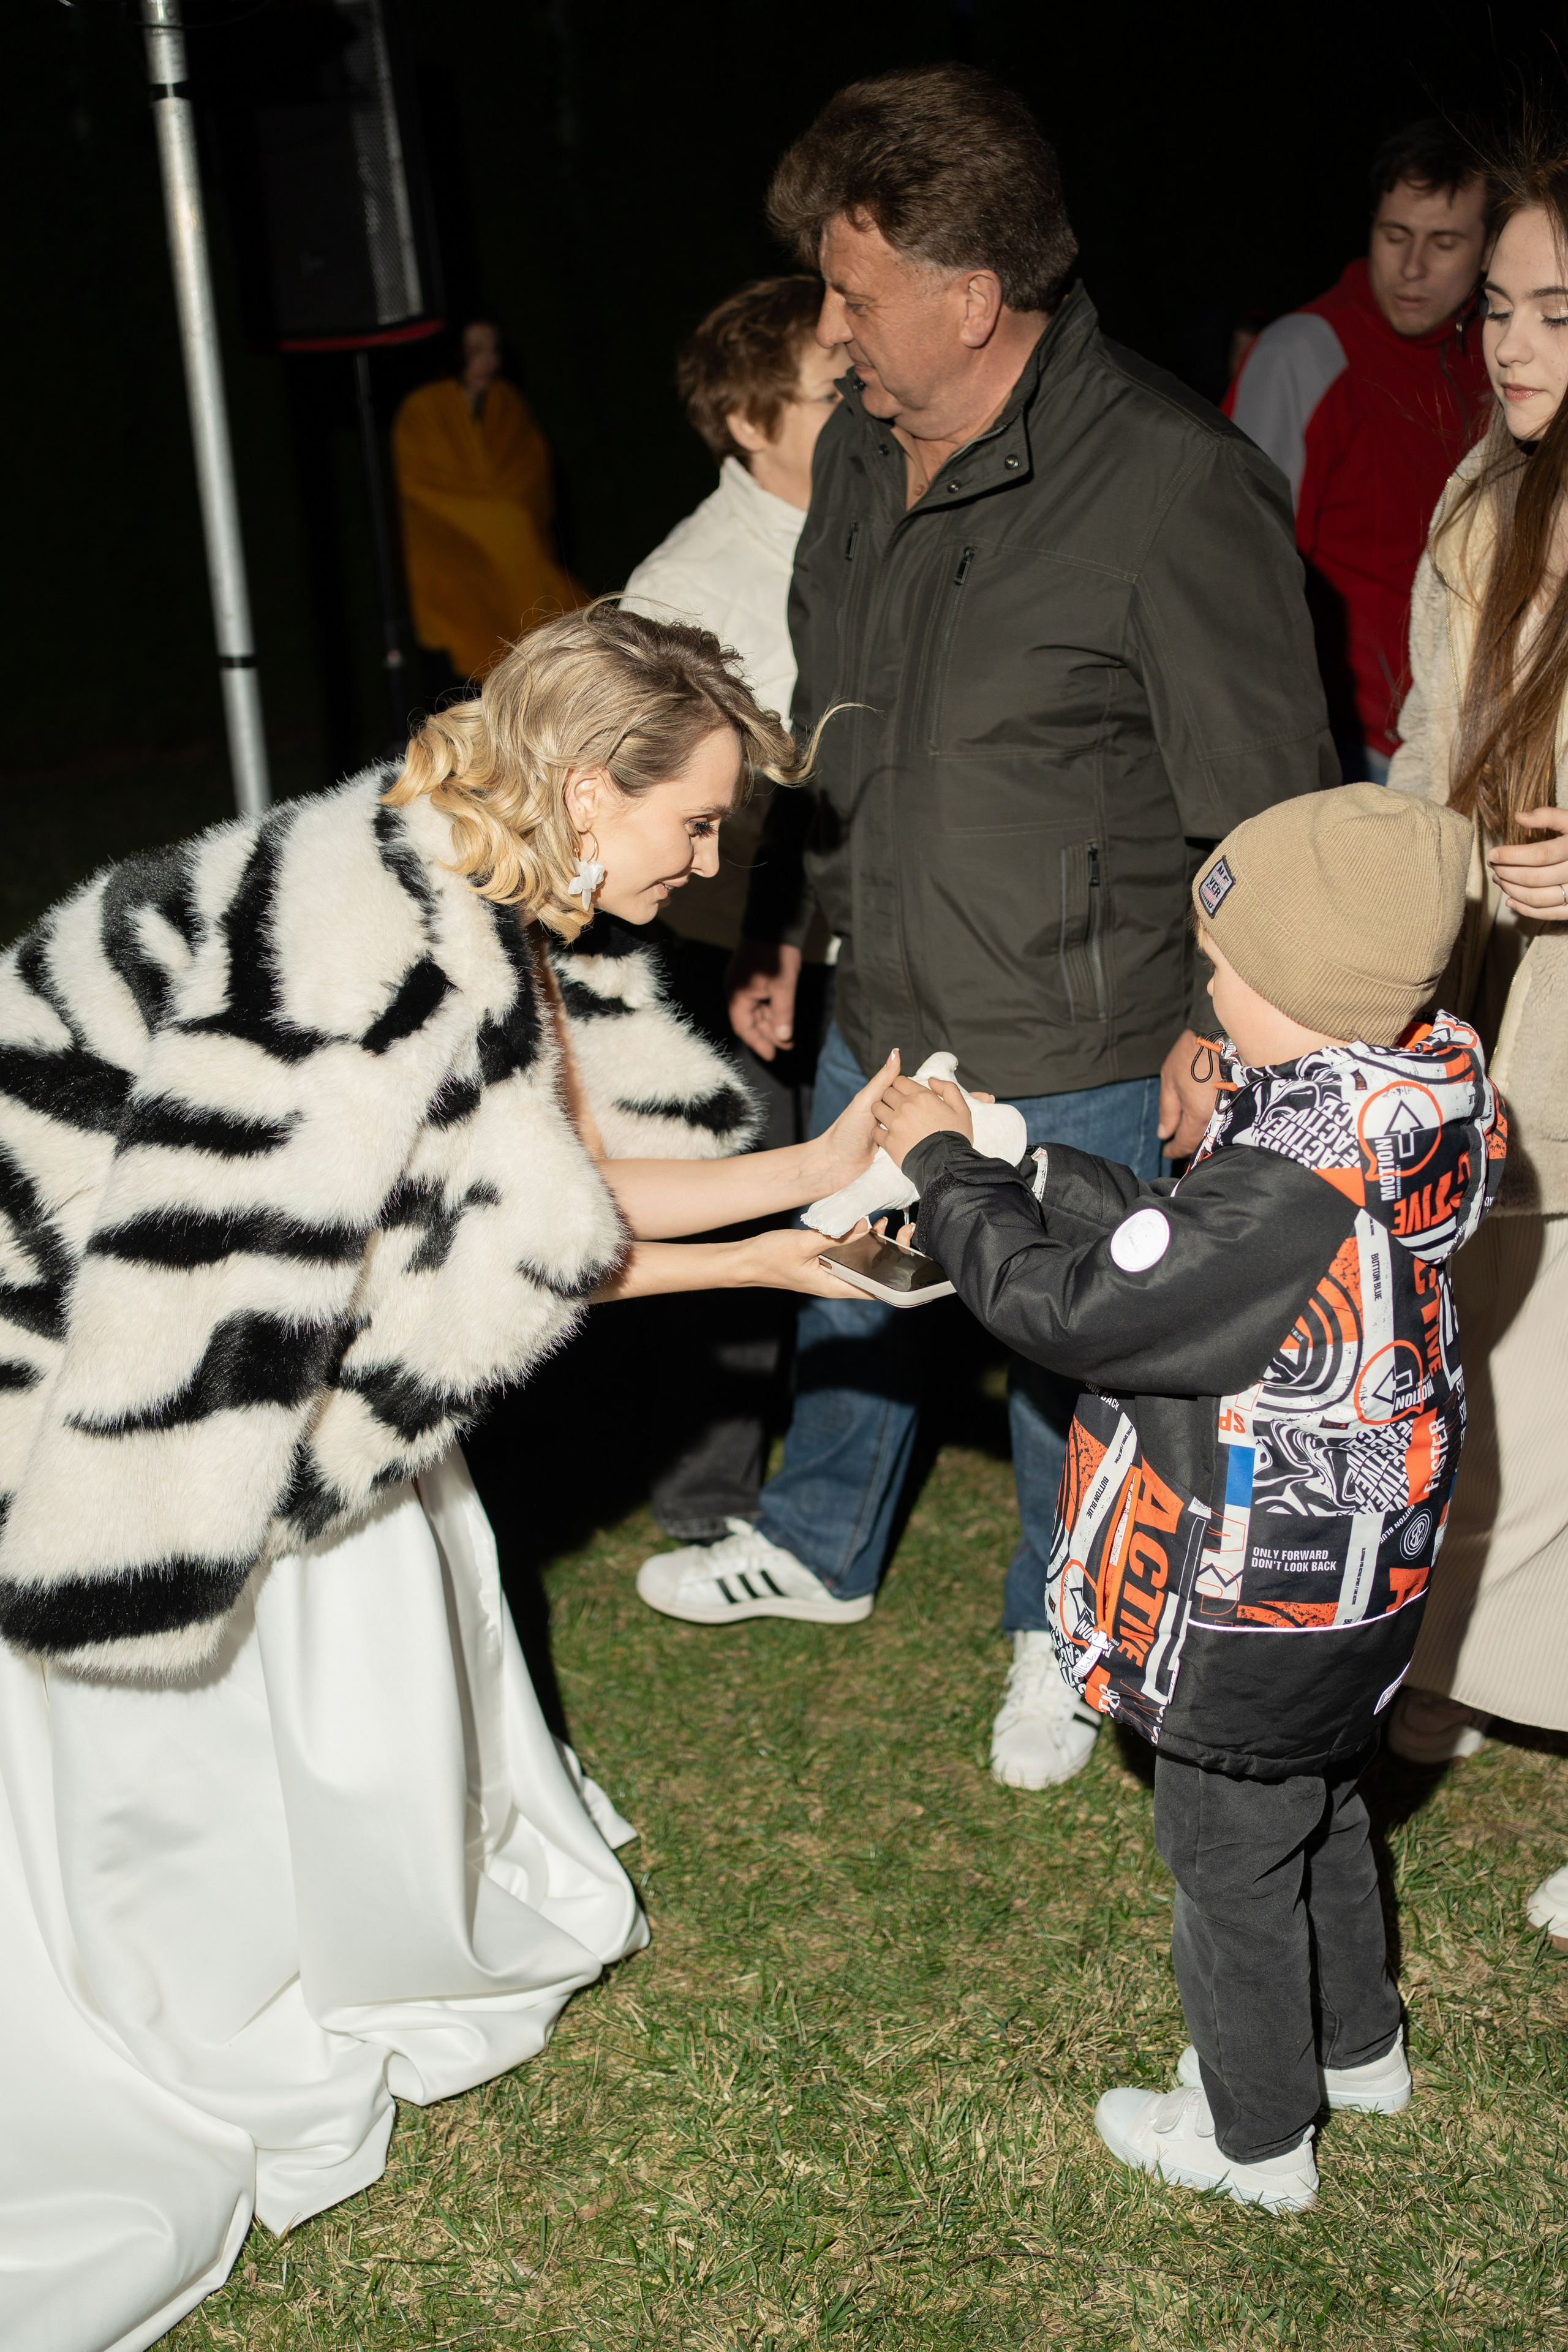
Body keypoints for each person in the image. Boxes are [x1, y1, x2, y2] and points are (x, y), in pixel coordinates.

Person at [0, 606, 898, 2348]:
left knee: (408, 1564)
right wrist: (785, 1252)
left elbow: (566, 1182)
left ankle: (355, 1882)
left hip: (243, 1331)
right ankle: (216, 1970)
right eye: (698, 823)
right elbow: (469, 1273)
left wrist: (816, 1170)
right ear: (582, 786)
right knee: (222, 1675)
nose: (713, 861)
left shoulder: (473, 876)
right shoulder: (372, 957)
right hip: (94, 1357)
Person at [635, 64, 1337, 1799]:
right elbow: (841, 711)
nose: (830, 326)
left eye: (854, 292)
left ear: (970, 295)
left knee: (1071, 1354)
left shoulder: (1176, 486)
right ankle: (818, 1538)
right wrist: (793, 917)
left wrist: (1210, 1030)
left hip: (1087, 1030)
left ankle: (1059, 1620)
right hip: (885, 987)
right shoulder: (870, 446)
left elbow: (1268, 807)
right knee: (851, 1278)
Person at [875, 785, 1502, 2211]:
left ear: (1302, 989)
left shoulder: (1290, 1176)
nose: (1203, 989)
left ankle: (1249, 2133)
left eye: (1222, 968)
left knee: (1221, 1853)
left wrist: (944, 1172)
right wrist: (1027, 1155)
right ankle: (1356, 2047)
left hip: (1255, 1585)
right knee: (1312, 1797)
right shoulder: (1398, 1098)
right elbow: (1185, 1233)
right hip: (1362, 1571)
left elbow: (1079, 1308)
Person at [1373, 145, 1568, 1959]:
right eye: (1496, 306)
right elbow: (1432, 756)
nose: (1507, 339)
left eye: (1550, 310)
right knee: (1492, 1347)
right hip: (1510, 1013)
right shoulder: (1479, 502)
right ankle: (1452, 1658)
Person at [618, 277, 846, 1543]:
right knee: (738, 1193)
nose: (859, 404)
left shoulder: (858, 523)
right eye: (829, 392)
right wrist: (765, 935)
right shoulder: (689, 588)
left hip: (828, 931)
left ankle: (829, 1442)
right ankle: (703, 1496)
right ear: (750, 423)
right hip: (721, 950)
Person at [1226, 121, 1489, 782]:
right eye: (1393, 235)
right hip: (1348, 747)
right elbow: (1237, 572)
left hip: (1471, 734)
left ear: (1488, 251)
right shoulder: (1301, 356)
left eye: (1444, 242)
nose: (1410, 267)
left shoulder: (1506, 356)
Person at [392, 320, 588, 697]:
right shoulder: (422, 409)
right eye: (477, 351)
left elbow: (531, 474)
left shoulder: (507, 402)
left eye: (494, 350)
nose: (489, 361)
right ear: (455, 354)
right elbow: (423, 487)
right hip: (449, 552)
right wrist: (497, 520)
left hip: (512, 551)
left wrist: (507, 518)